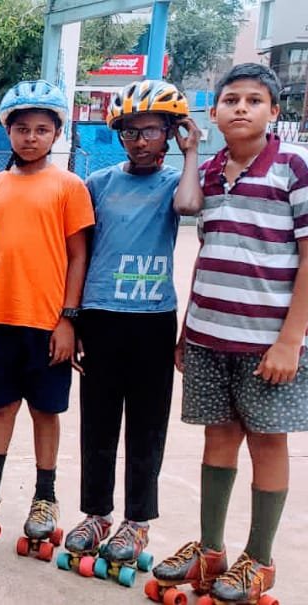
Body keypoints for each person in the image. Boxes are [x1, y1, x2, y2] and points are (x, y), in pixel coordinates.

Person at [152, 63, 308, 604]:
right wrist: (187, 329)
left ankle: (259, 559)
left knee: (267, 443)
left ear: (274, 111)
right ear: (214, 112)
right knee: (217, 440)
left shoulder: (294, 167)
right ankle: (210, 549)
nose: (241, 108)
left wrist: (291, 339)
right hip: (207, 337)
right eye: (231, 100)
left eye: (254, 100)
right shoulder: (213, 170)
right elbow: (209, 253)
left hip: (269, 344)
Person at [0, 81, 94, 556]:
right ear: (8, 131)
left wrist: (69, 319)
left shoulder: (70, 186)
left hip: (48, 321)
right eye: (22, 128)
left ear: (56, 134)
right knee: (1, 407)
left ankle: (45, 499)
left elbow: (78, 257)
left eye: (42, 129)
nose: (31, 137)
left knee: (46, 411)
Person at [57, 80, 199, 572]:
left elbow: (188, 208)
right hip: (101, 316)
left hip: (153, 320)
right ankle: (96, 513)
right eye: (130, 132)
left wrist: (192, 152)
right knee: (97, 423)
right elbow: (79, 252)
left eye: (152, 131)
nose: (140, 141)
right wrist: (71, 319)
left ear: (171, 132)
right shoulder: (99, 184)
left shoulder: (175, 184)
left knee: (146, 426)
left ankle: (137, 519)